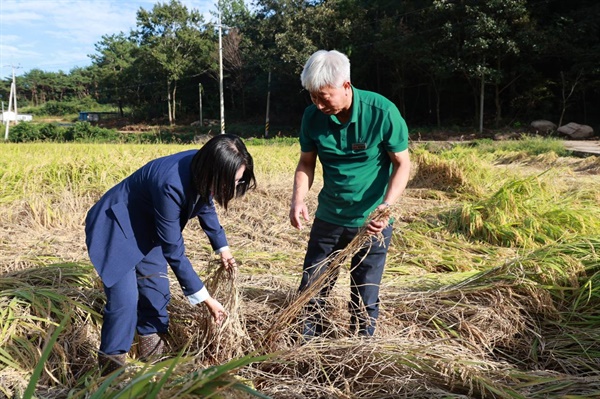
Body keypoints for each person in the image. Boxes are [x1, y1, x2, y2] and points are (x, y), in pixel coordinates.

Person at [85, 134, 256, 374]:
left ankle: (153, 357)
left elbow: (204, 203)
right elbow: (174, 251)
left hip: (148, 227)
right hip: (116, 225)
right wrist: (207, 300)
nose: (234, 187)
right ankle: (111, 371)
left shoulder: (203, 167)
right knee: (125, 300)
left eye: (238, 182)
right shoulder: (170, 184)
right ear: (214, 172)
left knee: (156, 292)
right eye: (232, 182)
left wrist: (222, 248)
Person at [289, 49, 411, 339]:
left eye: (323, 96)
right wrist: (298, 199)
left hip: (372, 222)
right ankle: (305, 346)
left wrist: (385, 208)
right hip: (330, 217)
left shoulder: (381, 112)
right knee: (312, 288)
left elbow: (402, 163)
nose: (318, 105)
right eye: (312, 97)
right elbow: (306, 162)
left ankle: (359, 350)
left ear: (346, 86)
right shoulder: (312, 117)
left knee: (364, 295)